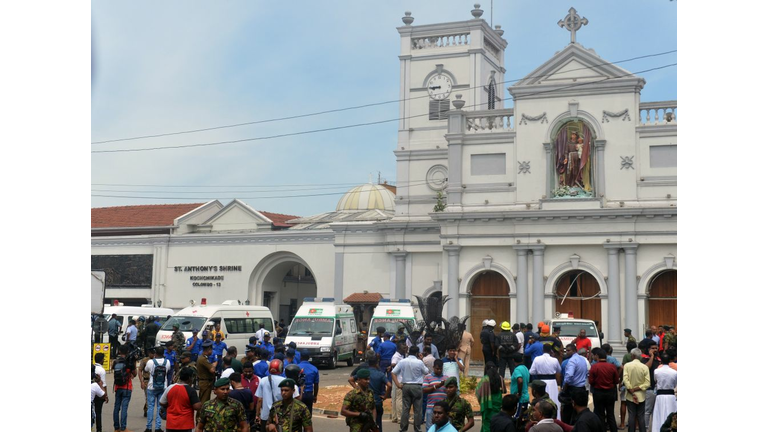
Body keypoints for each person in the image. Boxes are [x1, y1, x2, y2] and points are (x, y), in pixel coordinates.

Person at [392, 345, 430, 432]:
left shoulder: (402, 361)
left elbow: (393, 372)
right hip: (417, 386)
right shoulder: (419, 362)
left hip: (406, 386)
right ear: (417, 353)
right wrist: (421, 359)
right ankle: (417, 429)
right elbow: (426, 371)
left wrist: (398, 384)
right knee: (417, 410)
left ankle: (403, 428)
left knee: (405, 409)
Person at [257, 360, 300, 432]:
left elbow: (259, 400)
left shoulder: (263, 380)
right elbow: (296, 398)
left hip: (265, 416)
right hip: (281, 416)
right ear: (281, 369)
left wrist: (257, 415)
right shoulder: (286, 382)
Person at [160, 366, 202, 432]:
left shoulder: (170, 387)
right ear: (189, 378)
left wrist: (171, 404)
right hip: (185, 424)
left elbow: (162, 402)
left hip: (171, 423)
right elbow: (197, 406)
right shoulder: (191, 390)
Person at [587, 348, 619, 432]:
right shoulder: (612, 366)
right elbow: (616, 381)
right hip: (610, 392)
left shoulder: (594, 367)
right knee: (610, 414)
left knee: (600, 414)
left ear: (597, 356)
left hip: (598, 392)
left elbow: (591, 381)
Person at [341, 368, 379, 432]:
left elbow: (373, 408)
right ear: (358, 380)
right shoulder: (352, 394)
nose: (368, 381)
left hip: (368, 423)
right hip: (356, 425)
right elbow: (343, 411)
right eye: (365, 379)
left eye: (369, 379)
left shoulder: (370, 392)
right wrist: (359, 414)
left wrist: (374, 421)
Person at [529, 344, 561, 418]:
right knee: (553, 399)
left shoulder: (537, 359)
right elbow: (559, 370)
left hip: (541, 381)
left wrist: (539, 371)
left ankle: (540, 416)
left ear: (543, 350)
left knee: (541, 399)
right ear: (551, 351)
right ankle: (555, 417)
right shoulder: (554, 360)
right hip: (552, 382)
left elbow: (531, 372)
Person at [144, 346, 171, 432]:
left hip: (151, 386)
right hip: (163, 387)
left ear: (155, 353)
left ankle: (148, 427)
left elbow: (146, 369)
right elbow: (168, 371)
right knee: (160, 407)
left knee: (150, 407)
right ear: (163, 353)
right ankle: (157, 427)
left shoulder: (150, 362)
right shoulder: (167, 362)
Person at [623, 348, 650, 432]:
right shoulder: (644, 367)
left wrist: (631, 389)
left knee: (631, 415)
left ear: (633, 355)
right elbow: (647, 383)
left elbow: (625, 379)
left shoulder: (627, 365)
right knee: (641, 416)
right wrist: (637, 388)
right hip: (641, 395)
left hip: (630, 395)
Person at [562, 348, 589, 424]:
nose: (567, 352)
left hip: (573, 388)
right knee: (580, 409)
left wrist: (565, 386)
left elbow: (569, 375)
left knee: (568, 410)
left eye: (568, 350)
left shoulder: (572, 360)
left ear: (574, 351)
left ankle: (568, 426)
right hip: (581, 388)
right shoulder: (583, 359)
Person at [113, 344, 135, 432]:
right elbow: (134, 373)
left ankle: (116, 428)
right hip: (127, 387)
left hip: (117, 387)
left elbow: (114, 370)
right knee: (124, 408)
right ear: (128, 351)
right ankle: (123, 428)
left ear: (119, 351)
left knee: (116, 407)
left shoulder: (115, 361)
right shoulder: (129, 362)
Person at [651, 353, 677, 432]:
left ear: (661, 361)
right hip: (670, 396)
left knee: (659, 414)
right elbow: (675, 384)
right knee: (671, 412)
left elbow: (655, 380)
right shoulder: (674, 372)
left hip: (660, 395)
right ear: (669, 361)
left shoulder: (656, 371)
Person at [476, 361, 503, 432]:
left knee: (487, 423)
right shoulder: (500, 377)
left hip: (488, 403)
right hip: (497, 401)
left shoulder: (485, 379)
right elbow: (504, 390)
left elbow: (478, 391)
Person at [423, 359, 448, 431]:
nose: (439, 370)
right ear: (433, 367)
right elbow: (424, 390)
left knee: (442, 428)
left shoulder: (446, 378)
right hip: (431, 407)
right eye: (437, 369)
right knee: (430, 427)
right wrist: (436, 386)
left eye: (440, 369)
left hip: (442, 408)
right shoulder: (428, 377)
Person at [641, 343, 661, 429]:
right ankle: (645, 428)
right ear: (648, 349)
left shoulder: (659, 360)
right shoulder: (644, 359)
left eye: (656, 348)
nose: (655, 350)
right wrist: (651, 356)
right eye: (653, 348)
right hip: (649, 389)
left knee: (655, 411)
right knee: (647, 410)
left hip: (658, 389)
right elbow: (646, 368)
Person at [390, 342, 408, 424]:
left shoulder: (402, 356)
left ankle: (395, 417)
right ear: (399, 349)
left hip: (397, 379)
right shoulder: (396, 356)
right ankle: (400, 418)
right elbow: (393, 364)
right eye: (403, 348)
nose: (405, 350)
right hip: (398, 380)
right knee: (399, 399)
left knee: (395, 398)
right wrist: (400, 365)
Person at [297, 350, 319, 415]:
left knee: (298, 414)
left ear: (300, 357)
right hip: (309, 394)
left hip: (298, 393)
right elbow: (316, 384)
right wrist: (315, 396)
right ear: (309, 357)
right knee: (308, 414)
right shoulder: (314, 369)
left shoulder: (296, 367)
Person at [198, 340, 218, 404]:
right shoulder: (203, 359)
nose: (212, 351)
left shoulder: (204, 358)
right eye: (211, 349)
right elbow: (212, 370)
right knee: (204, 401)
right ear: (208, 349)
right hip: (205, 383)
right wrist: (213, 365)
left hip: (205, 382)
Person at [138, 347, 156, 418]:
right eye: (152, 353)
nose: (153, 355)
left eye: (154, 353)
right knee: (148, 396)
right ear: (149, 353)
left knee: (152, 397)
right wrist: (141, 381)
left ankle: (146, 409)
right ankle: (148, 411)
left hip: (154, 380)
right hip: (146, 380)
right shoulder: (144, 360)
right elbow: (140, 370)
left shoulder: (156, 360)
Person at [93, 353, 108, 432]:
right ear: (101, 360)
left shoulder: (92, 368)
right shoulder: (102, 370)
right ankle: (99, 429)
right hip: (99, 393)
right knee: (98, 412)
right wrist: (106, 395)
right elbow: (104, 384)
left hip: (92, 392)